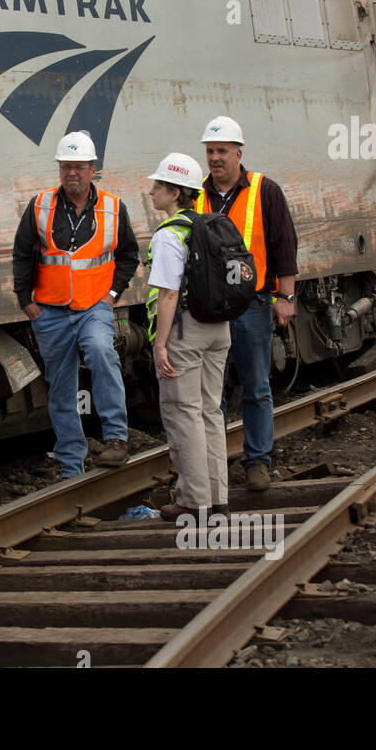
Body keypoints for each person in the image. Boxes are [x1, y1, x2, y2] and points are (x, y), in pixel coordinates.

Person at [12, 131, 140, 478]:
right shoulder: (40, 206)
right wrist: (26, 301)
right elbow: (22, 253)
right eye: (66, 167)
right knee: (61, 386)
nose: (72, 173)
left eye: (79, 168)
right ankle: (71, 465)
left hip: (93, 307)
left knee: (101, 351)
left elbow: (129, 254)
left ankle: (115, 439)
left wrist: (113, 294)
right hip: (49, 312)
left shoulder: (113, 208)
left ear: (92, 170)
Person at [196, 116, 298, 492]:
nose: (215, 158)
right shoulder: (197, 194)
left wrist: (285, 297)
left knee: (256, 385)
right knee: (212, 391)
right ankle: (215, 466)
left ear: (239, 153)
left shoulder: (263, 190)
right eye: (210, 151)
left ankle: (257, 461)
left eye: (222, 151)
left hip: (253, 303)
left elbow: (284, 245)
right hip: (208, 309)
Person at [146, 153, 231, 518]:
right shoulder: (210, 224)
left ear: (176, 192)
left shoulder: (169, 235)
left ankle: (193, 502)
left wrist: (160, 343)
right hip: (219, 330)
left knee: (184, 414)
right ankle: (218, 498)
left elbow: (167, 294)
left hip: (185, 331)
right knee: (211, 412)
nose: (151, 192)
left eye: (158, 186)